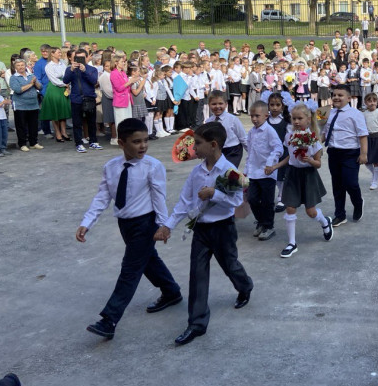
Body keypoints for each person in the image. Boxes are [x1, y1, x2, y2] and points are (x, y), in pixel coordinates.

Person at [75, 118, 182, 340]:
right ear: (121, 143)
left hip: (146, 223)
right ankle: (171, 292)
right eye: (136, 142)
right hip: (125, 224)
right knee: (148, 260)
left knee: (130, 270)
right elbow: (103, 196)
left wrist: (164, 225)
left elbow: (159, 197)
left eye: (145, 140)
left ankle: (109, 319)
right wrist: (87, 222)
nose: (143, 146)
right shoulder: (111, 167)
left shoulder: (153, 166)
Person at [159, 121, 253, 346]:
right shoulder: (197, 172)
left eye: (198, 144)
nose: (194, 148)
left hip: (223, 228)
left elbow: (236, 201)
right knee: (197, 274)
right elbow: (185, 201)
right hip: (201, 230)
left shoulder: (230, 171)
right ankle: (197, 323)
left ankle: (244, 286)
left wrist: (214, 193)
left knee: (230, 265)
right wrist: (168, 225)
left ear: (213, 145)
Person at [267, 102, 334, 258]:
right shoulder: (289, 136)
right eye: (294, 118)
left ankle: (325, 222)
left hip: (308, 176)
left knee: (311, 212)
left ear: (308, 119)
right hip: (292, 175)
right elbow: (290, 157)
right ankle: (292, 243)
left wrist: (309, 160)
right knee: (290, 208)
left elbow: (318, 164)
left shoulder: (313, 140)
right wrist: (275, 166)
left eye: (300, 118)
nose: (296, 122)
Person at [321, 84, 368, 226]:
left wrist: (364, 154)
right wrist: (313, 143)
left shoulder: (356, 114)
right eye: (334, 95)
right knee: (337, 185)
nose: (336, 97)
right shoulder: (326, 112)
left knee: (350, 183)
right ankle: (340, 215)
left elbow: (362, 135)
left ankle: (358, 202)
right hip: (333, 152)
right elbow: (322, 132)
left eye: (340, 95)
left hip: (350, 153)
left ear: (349, 98)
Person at [245, 100, 284, 241]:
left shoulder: (269, 131)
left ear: (266, 116)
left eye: (257, 116)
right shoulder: (251, 132)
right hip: (253, 172)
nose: (254, 119)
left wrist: (270, 164)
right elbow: (250, 153)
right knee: (252, 199)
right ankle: (261, 221)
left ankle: (268, 226)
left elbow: (278, 148)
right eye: (252, 116)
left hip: (267, 173)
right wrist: (246, 170)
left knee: (267, 201)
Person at [64, 49, 102, 153]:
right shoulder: (70, 69)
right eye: (78, 58)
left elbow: (94, 81)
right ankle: (79, 143)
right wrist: (71, 70)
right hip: (76, 99)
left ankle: (93, 141)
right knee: (77, 123)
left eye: (82, 57)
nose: (80, 60)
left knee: (91, 122)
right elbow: (65, 80)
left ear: (86, 58)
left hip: (89, 98)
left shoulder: (92, 69)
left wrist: (85, 71)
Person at [205, 90, 247, 167]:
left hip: (233, 151)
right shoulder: (208, 122)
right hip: (217, 151)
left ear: (226, 104)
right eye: (214, 104)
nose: (217, 106)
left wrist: (252, 154)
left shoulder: (233, 119)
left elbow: (243, 138)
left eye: (220, 103)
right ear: (209, 105)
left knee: (229, 171)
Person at [38, 47, 71, 142]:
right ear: (52, 54)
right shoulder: (49, 66)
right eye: (58, 52)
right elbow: (54, 80)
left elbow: (66, 74)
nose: (60, 54)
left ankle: (64, 132)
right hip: (55, 88)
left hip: (63, 87)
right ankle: (58, 133)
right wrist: (64, 84)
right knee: (55, 112)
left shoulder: (62, 64)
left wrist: (67, 85)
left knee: (63, 111)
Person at [9, 58, 43, 152]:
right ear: (15, 67)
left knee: (33, 125)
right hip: (20, 105)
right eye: (18, 65)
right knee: (21, 126)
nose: (20, 67)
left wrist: (35, 82)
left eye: (22, 65)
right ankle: (22, 144)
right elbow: (18, 90)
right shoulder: (13, 78)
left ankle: (33, 142)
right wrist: (31, 84)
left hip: (33, 104)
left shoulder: (31, 75)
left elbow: (40, 87)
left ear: (25, 66)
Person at [265, 92, 290, 212]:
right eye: (272, 105)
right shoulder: (265, 120)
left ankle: (281, 197)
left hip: (283, 152)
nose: (274, 108)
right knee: (269, 174)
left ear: (282, 106)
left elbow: (289, 136)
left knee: (281, 175)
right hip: (268, 152)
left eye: (277, 105)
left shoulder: (286, 121)